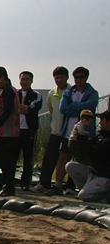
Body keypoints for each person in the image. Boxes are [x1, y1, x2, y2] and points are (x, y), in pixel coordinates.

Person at [47, 66, 99, 196]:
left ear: (86, 78)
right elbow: (63, 109)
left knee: (81, 159)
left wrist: (74, 107)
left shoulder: (92, 93)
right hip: (68, 132)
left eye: (81, 77)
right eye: (76, 77)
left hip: (85, 134)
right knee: (63, 157)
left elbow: (90, 106)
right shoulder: (68, 92)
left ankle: (72, 186)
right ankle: (58, 185)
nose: (78, 80)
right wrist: (80, 109)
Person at [32, 66, 69, 193]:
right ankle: (44, 183)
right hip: (55, 131)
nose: (59, 80)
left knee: (67, 158)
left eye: (61, 77)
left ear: (67, 78)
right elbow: (52, 110)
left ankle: (68, 185)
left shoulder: (71, 91)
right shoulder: (51, 93)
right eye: (56, 78)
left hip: (69, 132)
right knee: (49, 158)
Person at [0, 66, 20, 197]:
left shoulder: (7, 91)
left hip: (8, 133)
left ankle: (8, 187)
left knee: (7, 162)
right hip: (9, 132)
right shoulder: (9, 90)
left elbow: (7, 110)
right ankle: (7, 186)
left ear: (3, 77)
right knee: (7, 162)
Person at [65, 110, 110, 202]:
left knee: (83, 196)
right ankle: (92, 192)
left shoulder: (107, 140)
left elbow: (92, 151)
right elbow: (80, 152)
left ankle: (105, 196)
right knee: (70, 166)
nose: (100, 122)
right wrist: (74, 137)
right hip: (95, 173)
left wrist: (82, 136)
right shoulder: (100, 136)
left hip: (105, 177)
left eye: (102, 119)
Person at [17, 71, 43, 191]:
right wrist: (22, 108)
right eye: (22, 79)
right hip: (15, 131)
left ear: (31, 81)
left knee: (28, 158)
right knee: (12, 157)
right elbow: (13, 109)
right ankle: (8, 181)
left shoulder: (36, 95)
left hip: (29, 131)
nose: (24, 82)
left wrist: (25, 108)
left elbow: (32, 108)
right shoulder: (15, 94)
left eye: (27, 79)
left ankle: (25, 182)